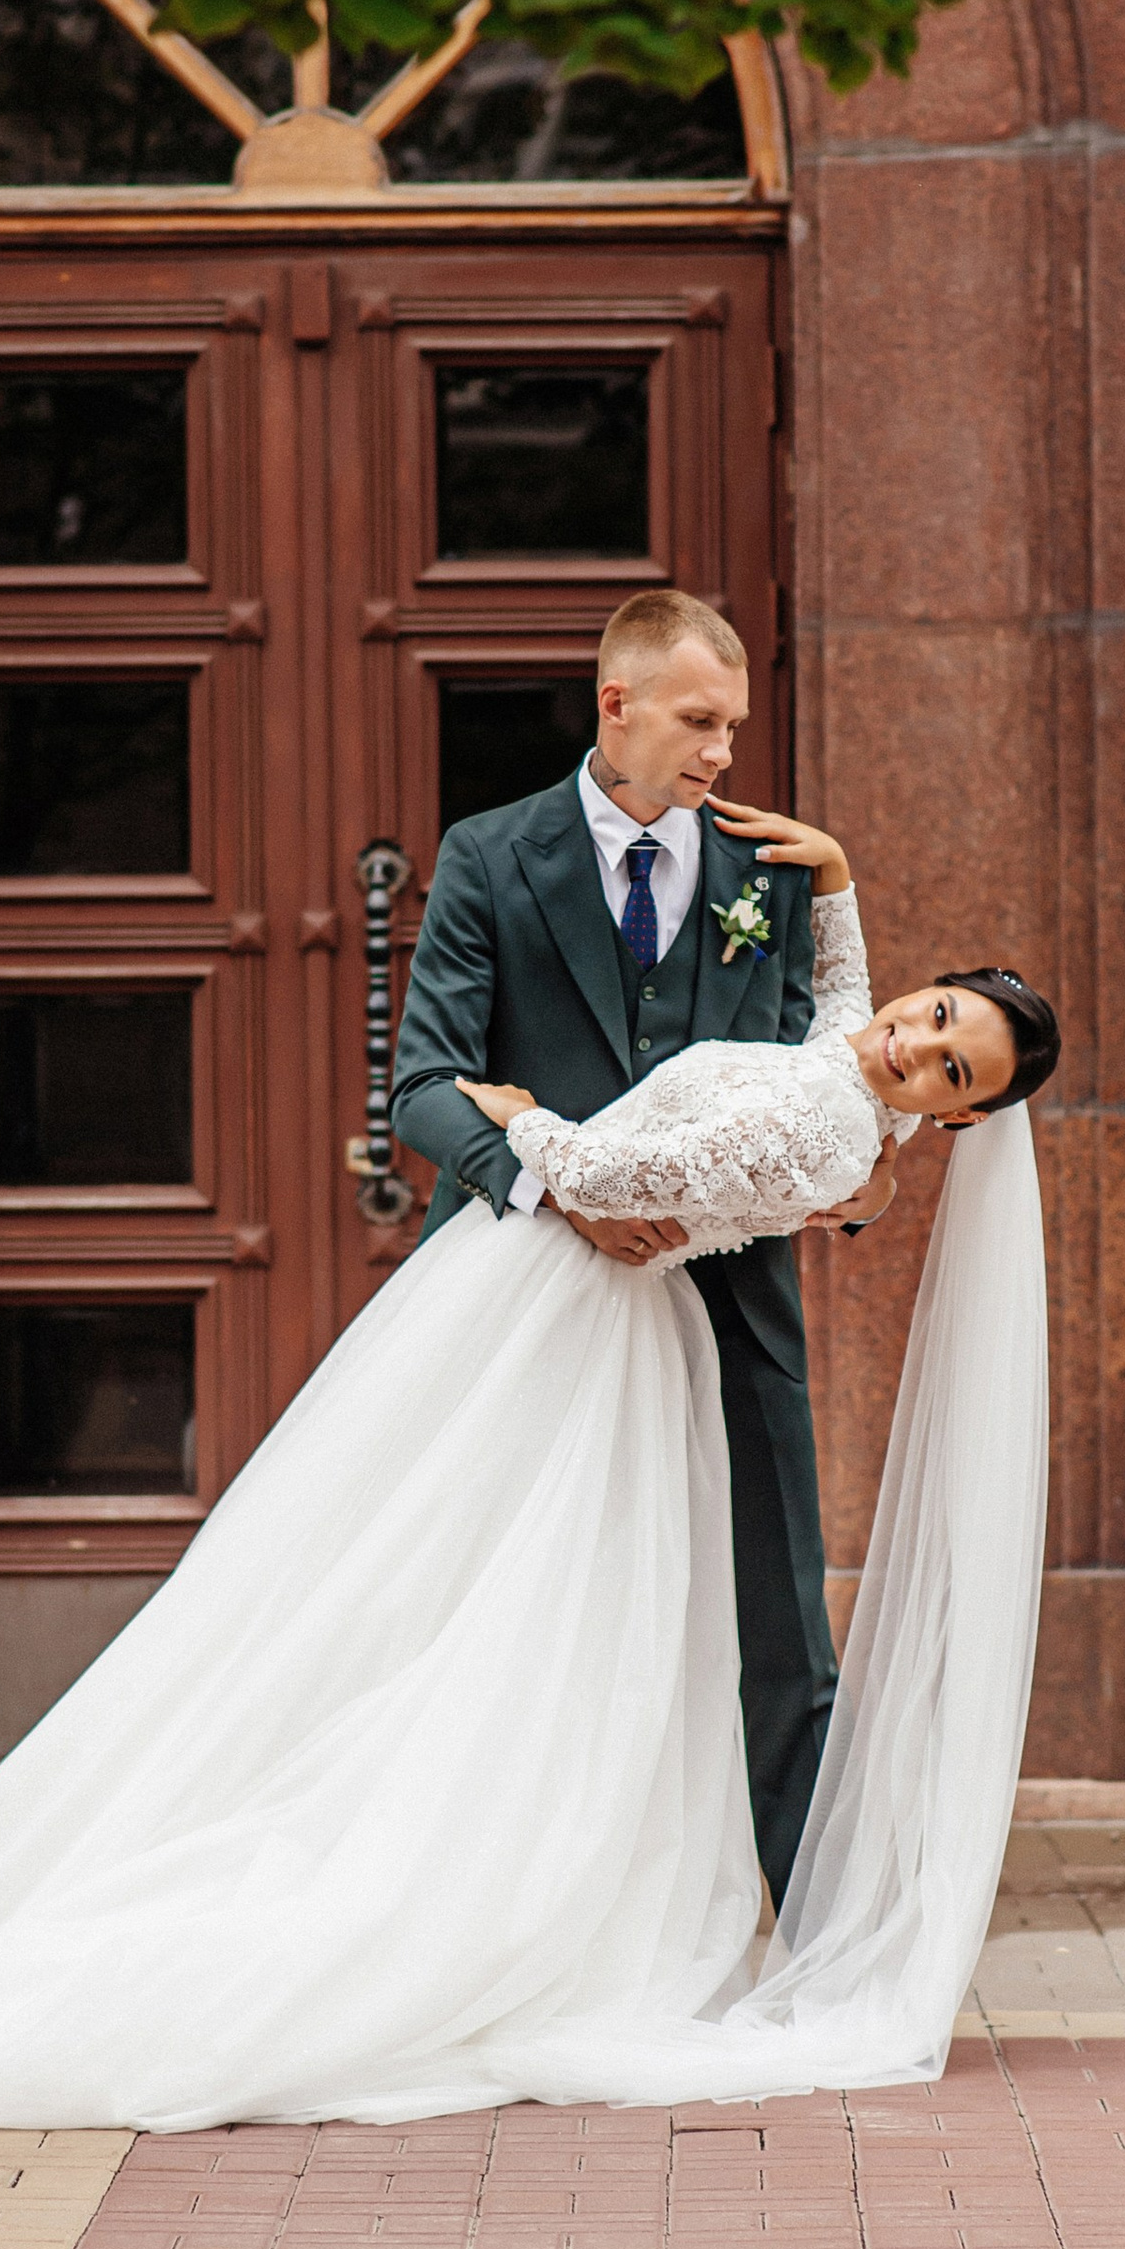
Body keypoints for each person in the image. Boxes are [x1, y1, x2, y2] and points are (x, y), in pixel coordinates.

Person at [0, 778, 1060, 2137]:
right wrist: (833, 882)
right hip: (566, 1309)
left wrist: (512, 1111)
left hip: (571, 1307)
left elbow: (605, 1186)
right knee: (433, 1566)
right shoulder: (851, 1080)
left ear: (956, 1122)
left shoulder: (829, 1131)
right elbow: (847, 1016)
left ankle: (425, 1883)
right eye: (940, 1018)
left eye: (955, 1073)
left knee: (447, 1580)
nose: (919, 1049)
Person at [388, 589, 887, 1907]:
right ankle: (491, 1903)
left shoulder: (768, 876)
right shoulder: (492, 857)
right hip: (528, 1292)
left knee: (781, 1616)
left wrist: (833, 1173)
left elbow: (805, 1067)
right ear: (617, 705)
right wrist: (562, 1188)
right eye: (698, 719)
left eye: (733, 721)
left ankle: (822, 1922)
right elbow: (427, 1087)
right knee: (510, 1605)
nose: (724, 749)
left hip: (730, 1293)